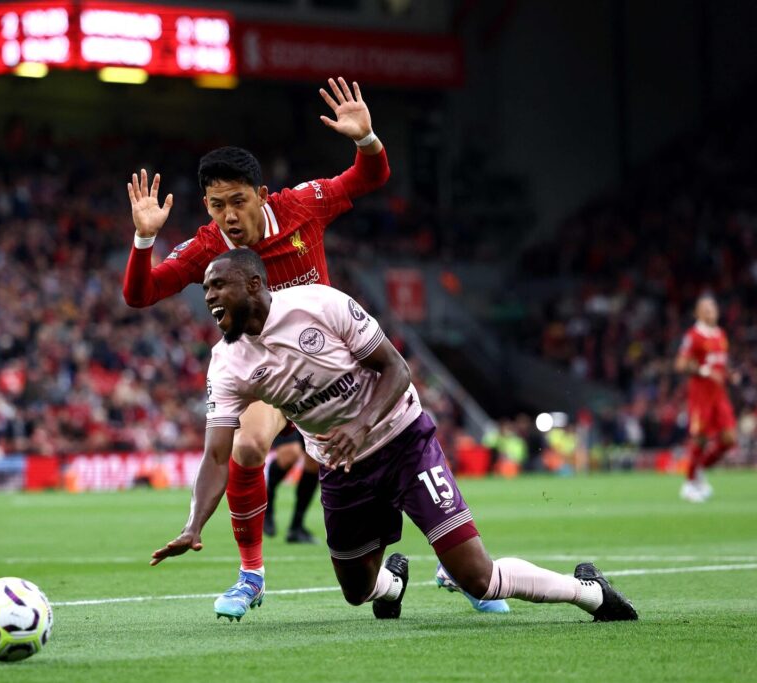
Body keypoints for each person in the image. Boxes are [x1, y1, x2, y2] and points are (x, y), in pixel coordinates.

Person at [150, 250, 638, 624]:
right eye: (206, 289)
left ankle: (586, 590)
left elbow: (396, 368)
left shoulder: (321, 304)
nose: (209, 297)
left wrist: (360, 427)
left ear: (254, 284)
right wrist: (195, 524)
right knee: (357, 591)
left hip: (404, 442)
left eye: (217, 286)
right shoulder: (227, 363)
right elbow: (218, 456)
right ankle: (393, 583)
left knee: (478, 577)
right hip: (342, 468)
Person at [123, 77, 394, 620]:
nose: (228, 216)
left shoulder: (301, 207)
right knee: (247, 448)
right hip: (270, 376)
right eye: (217, 204)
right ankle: (251, 575)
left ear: (261, 195)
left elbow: (371, 177)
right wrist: (145, 238)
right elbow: (141, 294)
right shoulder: (205, 246)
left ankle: (451, 563)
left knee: (392, 452)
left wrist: (366, 140)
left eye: (238, 202)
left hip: (336, 362)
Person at [674, 295, 738, 502]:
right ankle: (689, 484)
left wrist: (730, 374)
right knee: (700, 439)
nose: (712, 312)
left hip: (719, 395)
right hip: (700, 395)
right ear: (698, 313)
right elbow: (681, 364)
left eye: (714, 308)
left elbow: (720, 364)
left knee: (730, 439)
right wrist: (703, 371)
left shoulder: (720, 334)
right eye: (707, 309)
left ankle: (699, 469)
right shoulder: (693, 335)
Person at [264, 427, 320, 544]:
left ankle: (296, 527)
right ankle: (266, 505)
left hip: (312, 412)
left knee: (314, 461)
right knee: (290, 454)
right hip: (287, 411)